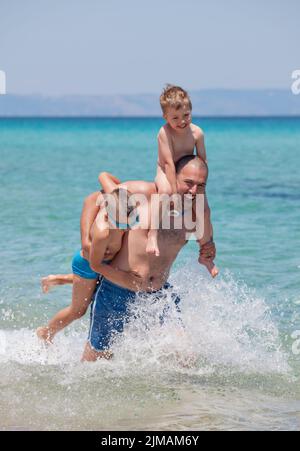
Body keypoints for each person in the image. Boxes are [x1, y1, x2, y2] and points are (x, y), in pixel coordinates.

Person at [81, 156, 217, 361]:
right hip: (115, 291)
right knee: (96, 362)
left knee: (186, 358)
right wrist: (87, 241)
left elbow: (206, 245)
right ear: (173, 177)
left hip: (158, 294)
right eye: (188, 183)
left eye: (200, 185)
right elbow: (93, 199)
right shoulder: (144, 193)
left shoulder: (197, 213)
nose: (193, 191)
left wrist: (209, 249)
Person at [36, 188, 138, 343]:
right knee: (78, 310)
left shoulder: (121, 209)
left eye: (129, 221)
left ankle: (57, 279)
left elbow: (106, 178)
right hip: (87, 265)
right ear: (107, 214)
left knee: (98, 286)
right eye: (120, 223)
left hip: (104, 264)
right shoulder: (103, 231)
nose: (126, 227)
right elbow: (96, 265)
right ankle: (46, 332)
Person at [145, 85, 218, 279]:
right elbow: (168, 163)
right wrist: (176, 191)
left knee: (204, 209)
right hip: (166, 171)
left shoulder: (197, 133)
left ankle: (206, 254)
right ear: (165, 118)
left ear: (191, 111)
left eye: (186, 115)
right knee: (166, 193)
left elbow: (203, 161)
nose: (181, 121)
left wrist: (201, 188)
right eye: (175, 118)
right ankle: (153, 234)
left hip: (187, 173)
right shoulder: (164, 132)